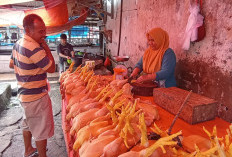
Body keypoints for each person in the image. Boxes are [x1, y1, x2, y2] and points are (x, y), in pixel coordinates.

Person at [9, 14, 55, 157]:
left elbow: (12, 64)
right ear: (28, 31)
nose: (44, 35)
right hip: (36, 97)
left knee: (27, 123)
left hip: (23, 94)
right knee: (41, 130)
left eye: (44, 30)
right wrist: (46, 47)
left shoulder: (18, 43)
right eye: (41, 31)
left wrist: (28, 68)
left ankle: (28, 149)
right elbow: (52, 68)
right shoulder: (34, 47)